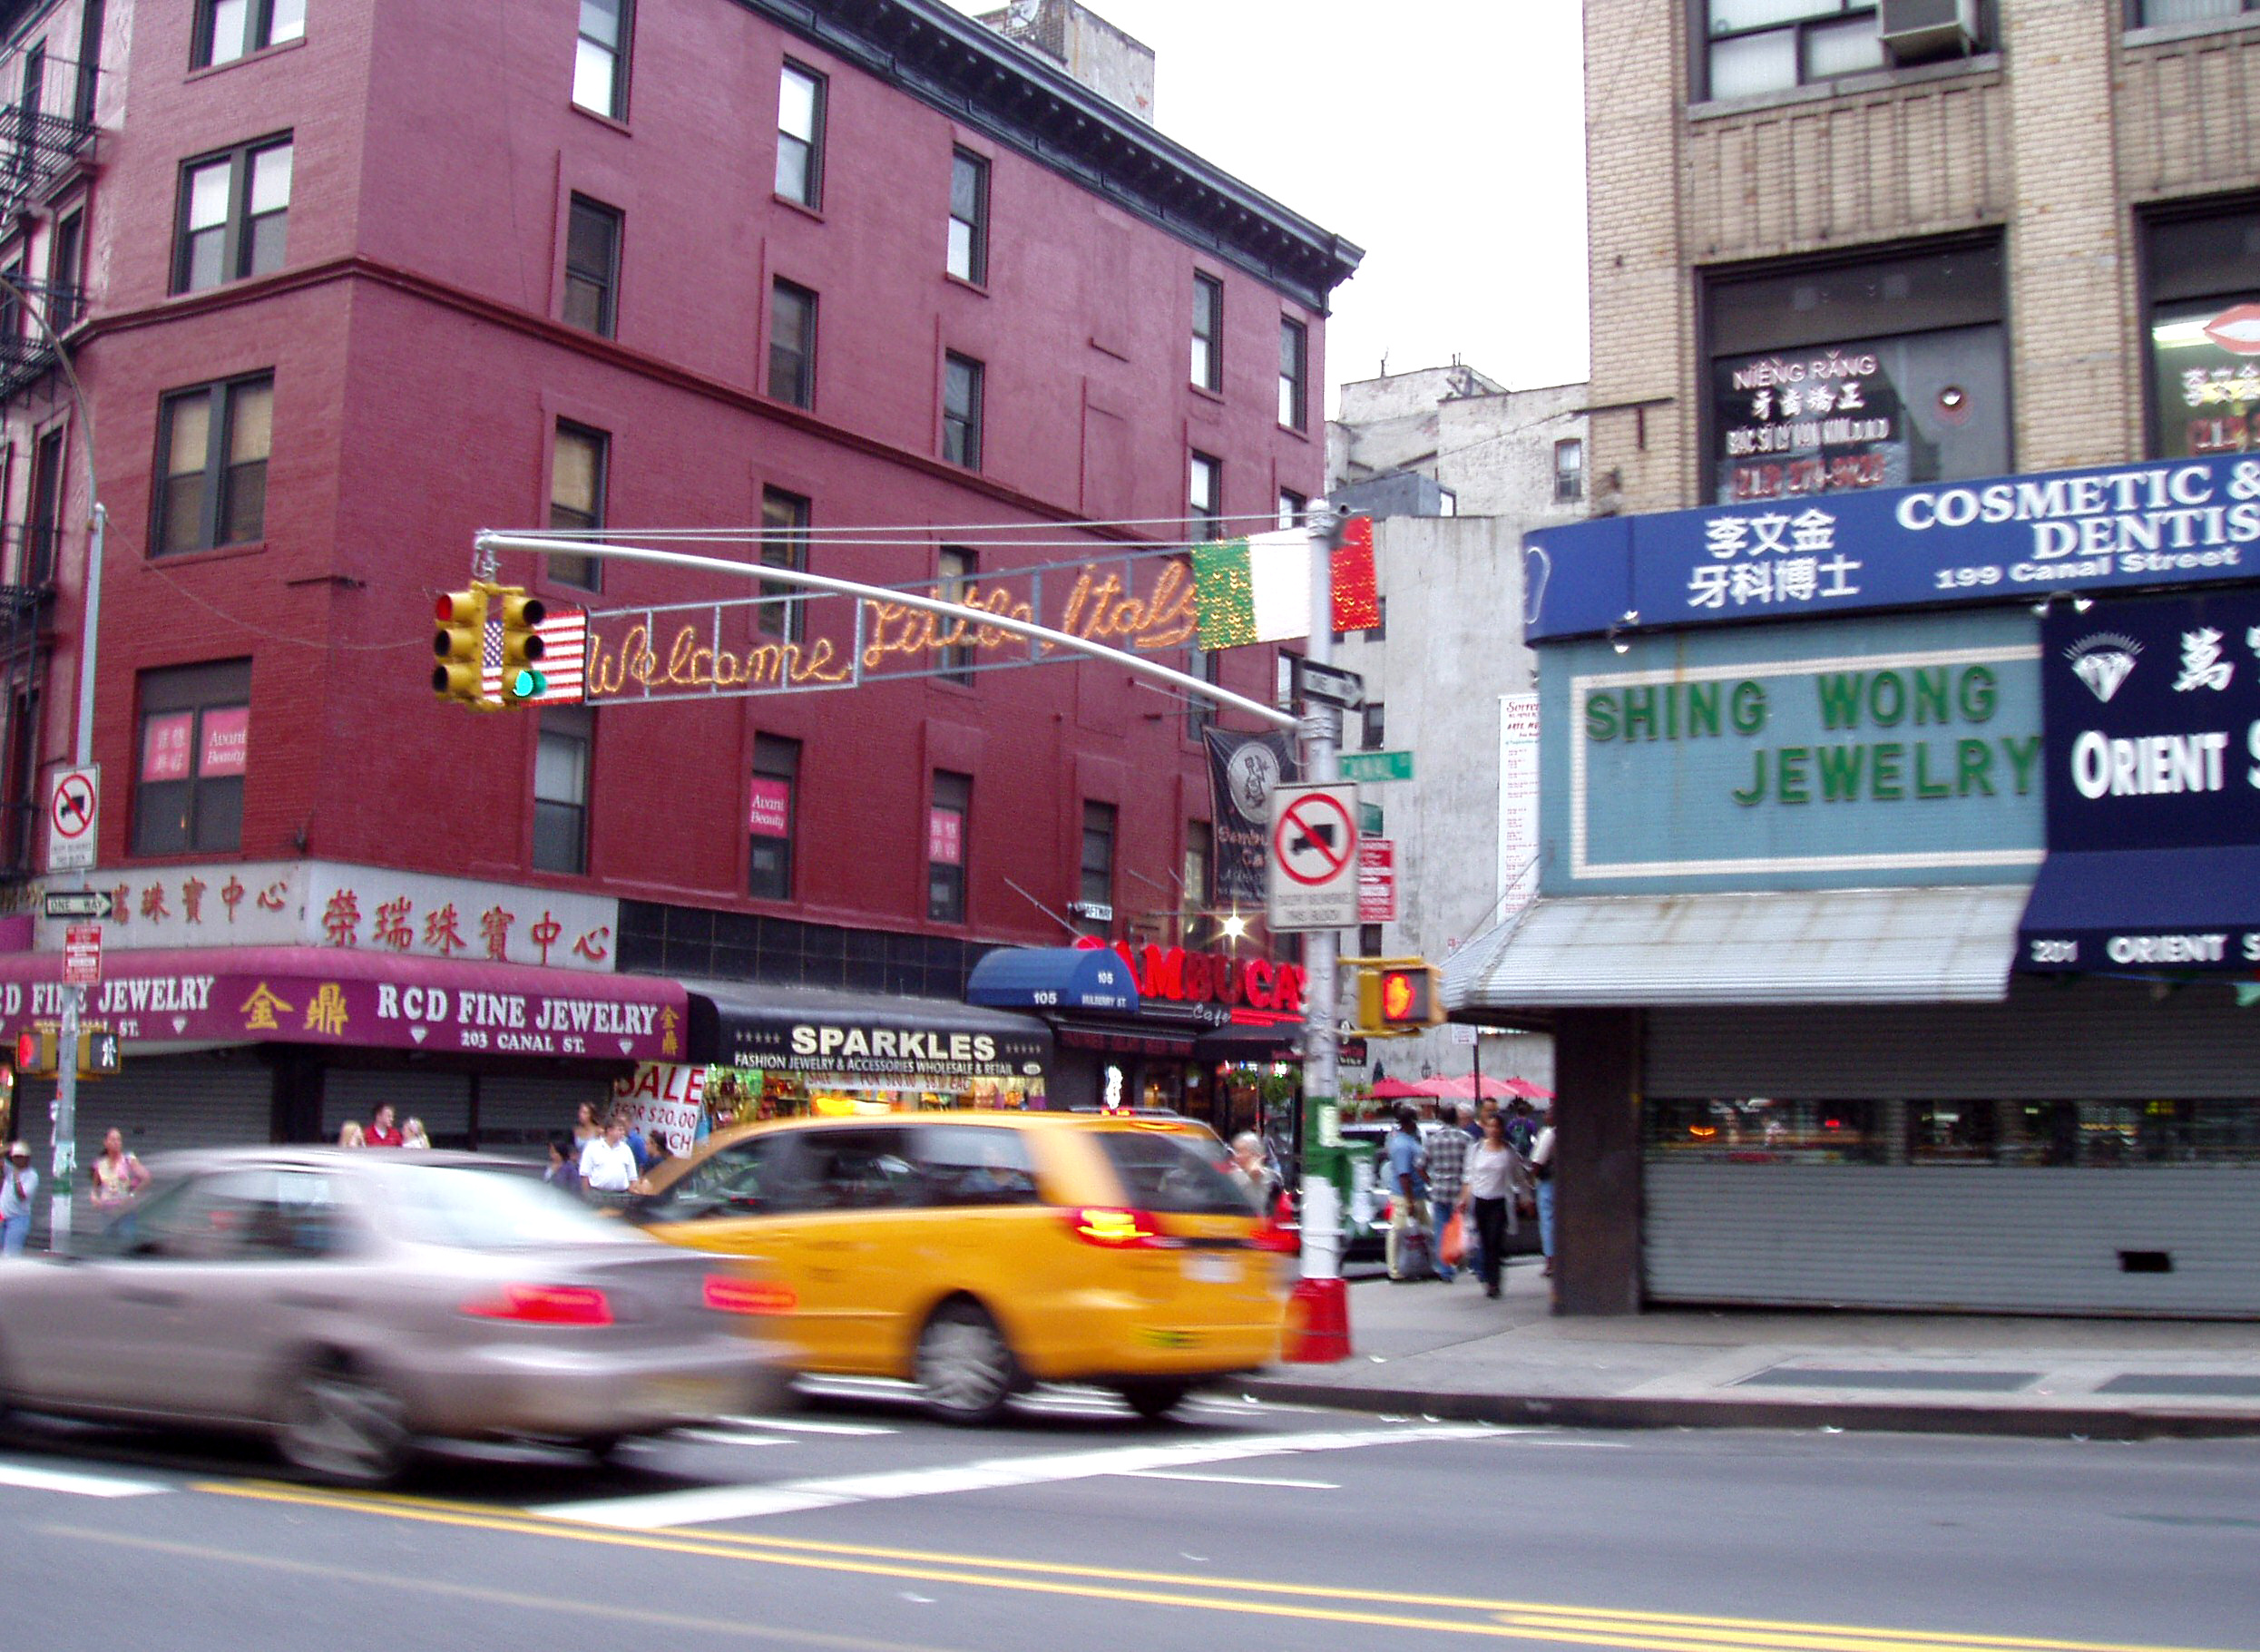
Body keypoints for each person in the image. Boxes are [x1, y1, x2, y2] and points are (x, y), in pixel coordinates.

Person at [1459, 1110, 1517, 1298]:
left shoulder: (1508, 1152)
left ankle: (1494, 1282)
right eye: (1489, 1126)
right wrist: (1464, 1199)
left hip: (1499, 1201)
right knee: (1484, 1241)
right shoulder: (1475, 1150)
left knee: (1494, 1241)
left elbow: (1519, 1178)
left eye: (1496, 1126)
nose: (1493, 1130)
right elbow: (1469, 1176)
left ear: (1501, 1129)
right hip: (1480, 1200)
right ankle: (1488, 1277)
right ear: (1485, 1127)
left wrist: (1525, 1198)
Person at [1423, 1104, 1469, 1282]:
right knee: (1460, 1228)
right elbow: (1472, 1165)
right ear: (1456, 1118)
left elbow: (1420, 1164)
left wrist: (1430, 1181)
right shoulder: (1465, 1139)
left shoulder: (1433, 1140)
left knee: (1441, 1229)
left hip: (1440, 1190)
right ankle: (1461, 1260)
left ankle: (1445, 1269)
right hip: (1459, 1191)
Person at [1384, 1104, 1428, 1283]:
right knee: (1399, 1231)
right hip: (1405, 1196)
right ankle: (1395, 1269)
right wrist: (1409, 1201)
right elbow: (1404, 1176)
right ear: (1409, 1123)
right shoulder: (1402, 1145)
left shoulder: (1409, 1140)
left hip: (1417, 1193)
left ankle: (1421, 1264)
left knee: (1424, 1230)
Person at [579, 1110, 639, 1199]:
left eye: (623, 1130)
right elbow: (585, 1174)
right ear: (610, 1131)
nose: (623, 1132)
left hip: (621, 1195)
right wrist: (587, 1196)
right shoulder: (592, 1148)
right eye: (620, 1130)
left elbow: (633, 1176)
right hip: (597, 1194)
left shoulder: (626, 1149)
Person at [89, 1129, 151, 1214]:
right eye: (113, 1140)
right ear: (106, 1142)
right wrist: (94, 1197)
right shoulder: (100, 1164)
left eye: (118, 1140)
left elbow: (146, 1178)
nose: (116, 1142)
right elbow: (95, 1187)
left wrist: (131, 1196)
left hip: (125, 1211)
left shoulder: (128, 1160)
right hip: (106, 1211)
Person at [1530, 1109, 1558, 1278]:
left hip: (1548, 1182)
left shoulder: (1548, 1134)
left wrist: (1531, 1178)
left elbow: (1538, 1161)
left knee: (1548, 1222)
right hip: (1563, 1182)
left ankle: (1551, 1262)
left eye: (1549, 1113)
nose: (1545, 1115)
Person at [2, 1140, 38, 1255]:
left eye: (20, 1157)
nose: (17, 1160)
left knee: (10, 1255)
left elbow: (21, 1196)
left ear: (27, 1158)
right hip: (2, 1216)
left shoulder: (32, 1175)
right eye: (15, 1157)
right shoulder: (9, 1169)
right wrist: (9, 1147)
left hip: (18, 1218)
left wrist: (16, 1177)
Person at [1229, 1131, 1276, 1210]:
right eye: (1236, 1151)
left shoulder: (1273, 1178)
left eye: (1241, 1151)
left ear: (1256, 1155)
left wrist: (1257, 1175)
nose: (1237, 1156)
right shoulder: (1232, 1178)